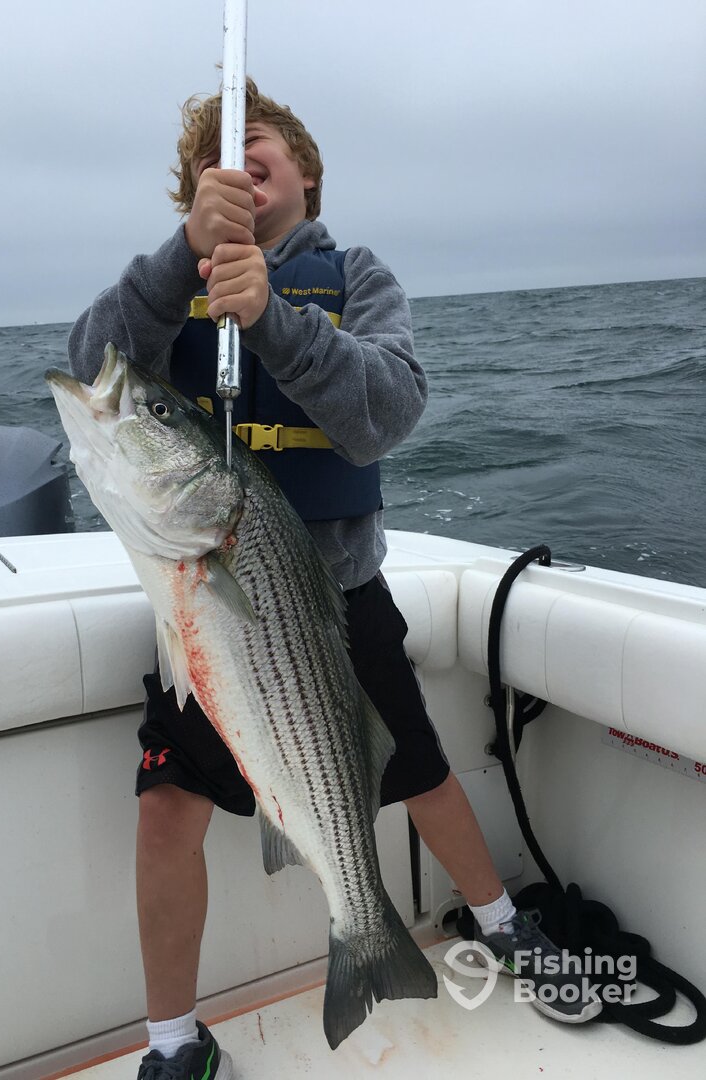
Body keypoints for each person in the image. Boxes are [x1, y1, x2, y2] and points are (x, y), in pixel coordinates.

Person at [68, 78, 600, 1080]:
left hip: (342, 601)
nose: (235, 163)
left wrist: (275, 318)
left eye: (256, 145)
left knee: (419, 769)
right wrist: (182, 258)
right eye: (212, 164)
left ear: (306, 174)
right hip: (204, 605)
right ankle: (172, 1041)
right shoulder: (170, 288)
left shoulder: (356, 277)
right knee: (166, 808)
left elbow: (385, 412)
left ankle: (499, 922)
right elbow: (93, 363)